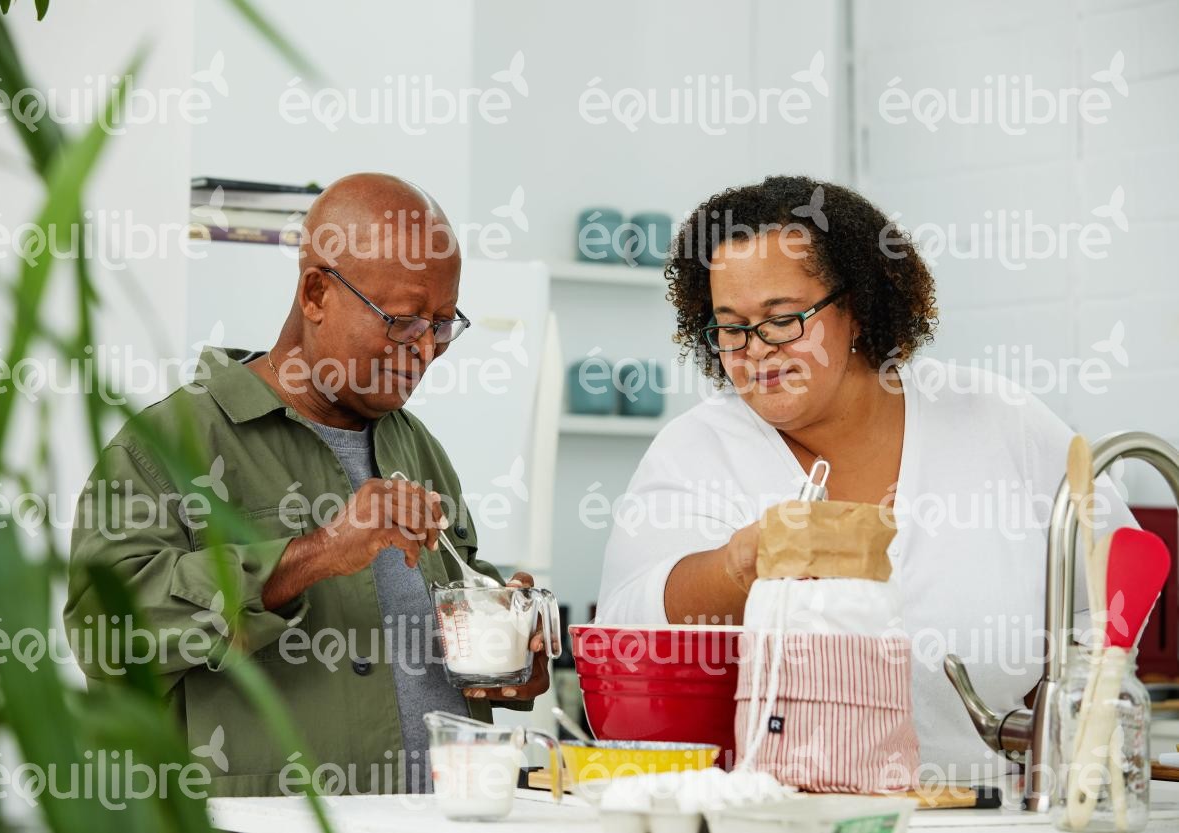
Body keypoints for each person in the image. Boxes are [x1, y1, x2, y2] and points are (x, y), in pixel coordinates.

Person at [594, 175, 1134, 781]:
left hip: (989, 810)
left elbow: (1118, 575)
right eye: (731, 326)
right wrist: (739, 566)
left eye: (783, 318)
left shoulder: (997, 419)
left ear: (857, 308)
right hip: (774, 812)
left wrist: (1068, 703)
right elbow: (624, 637)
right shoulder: (697, 450)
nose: (756, 349)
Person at [65, 173, 548, 796]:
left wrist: (511, 643)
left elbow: (452, 601)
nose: (426, 350)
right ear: (316, 293)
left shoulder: (419, 448)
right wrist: (316, 554)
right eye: (403, 322)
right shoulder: (167, 446)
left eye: (443, 325)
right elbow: (105, 638)